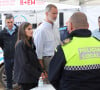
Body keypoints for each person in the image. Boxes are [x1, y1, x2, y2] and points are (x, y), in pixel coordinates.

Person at [48, 12, 100, 90]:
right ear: (88, 26)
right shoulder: (98, 43)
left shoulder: (64, 48)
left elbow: (52, 77)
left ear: (71, 25)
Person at [34, 4, 60, 83]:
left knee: (57, 83)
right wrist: (42, 70)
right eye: (53, 13)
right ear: (46, 13)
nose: (56, 16)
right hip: (47, 60)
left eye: (56, 13)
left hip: (57, 58)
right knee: (49, 84)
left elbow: (58, 43)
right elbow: (38, 52)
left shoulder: (55, 27)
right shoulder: (41, 30)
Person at [14, 22, 42, 90]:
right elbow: (24, 64)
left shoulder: (31, 43)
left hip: (32, 78)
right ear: (23, 31)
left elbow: (34, 59)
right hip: (25, 79)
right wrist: (38, 73)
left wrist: (41, 71)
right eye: (29, 29)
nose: (31, 31)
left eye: (31, 28)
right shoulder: (21, 44)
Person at [0, 14, 18, 90]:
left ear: (13, 21)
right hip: (7, 58)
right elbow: (1, 44)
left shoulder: (18, 31)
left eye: (11, 22)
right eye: (8, 22)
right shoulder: (2, 33)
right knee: (8, 77)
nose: (10, 24)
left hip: (17, 57)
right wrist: (6, 49)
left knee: (19, 76)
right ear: (5, 22)